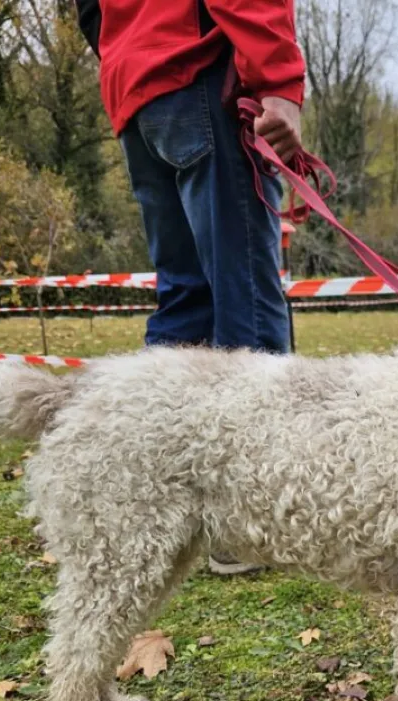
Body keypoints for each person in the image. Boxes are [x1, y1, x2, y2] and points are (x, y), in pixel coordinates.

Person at [75, 0, 305, 574]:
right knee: (244, 297)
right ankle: (249, 525)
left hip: (137, 91)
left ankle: (149, 500)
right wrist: (277, 81)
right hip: (197, 75)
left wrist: (127, 55)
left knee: (185, 297)